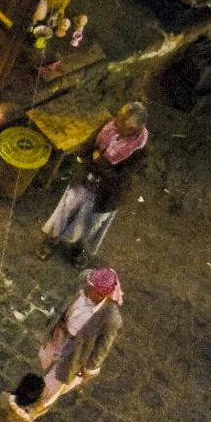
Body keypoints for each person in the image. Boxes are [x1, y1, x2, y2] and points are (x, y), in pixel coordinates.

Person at [43, 101, 149, 261]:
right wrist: (98, 164)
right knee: (66, 211)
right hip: (85, 180)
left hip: (105, 194)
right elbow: (86, 148)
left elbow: (119, 178)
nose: (117, 123)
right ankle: (51, 241)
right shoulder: (108, 126)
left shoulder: (140, 151)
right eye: (118, 117)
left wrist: (99, 161)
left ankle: (78, 249)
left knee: (90, 224)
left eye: (123, 124)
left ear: (135, 130)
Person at [37, 268, 123, 405]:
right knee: (45, 360)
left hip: (75, 352)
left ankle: (38, 406)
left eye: (92, 289)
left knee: (52, 385)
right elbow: (66, 297)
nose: (87, 289)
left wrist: (89, 369)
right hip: (58, 334)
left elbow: (103, 347)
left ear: (101, 294)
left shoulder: (110, 318)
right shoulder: (84, 278)